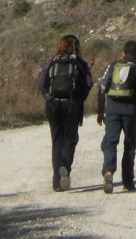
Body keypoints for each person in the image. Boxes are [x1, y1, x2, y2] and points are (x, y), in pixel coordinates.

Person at [37, 34, 93, 192]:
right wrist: (79, 98)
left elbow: (41, 84)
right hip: (71, 103)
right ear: (76, 47)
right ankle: (65, 167)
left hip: (53, 104)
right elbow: (89, 83)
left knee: (57, 141)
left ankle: (56, 182)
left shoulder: (52, 61)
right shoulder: (79, 63)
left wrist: (47, 97)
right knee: (70, 139)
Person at [96, 39, 136, 193]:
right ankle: (128, 182)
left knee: (110, 141)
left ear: (123, 52)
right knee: (129, 145)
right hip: (131, 112)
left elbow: (102, 88)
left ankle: (108, 171)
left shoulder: (113, 66)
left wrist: (100, 111)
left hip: (113, 110)